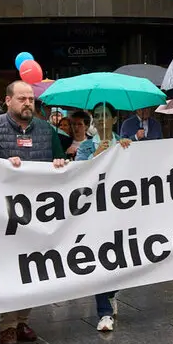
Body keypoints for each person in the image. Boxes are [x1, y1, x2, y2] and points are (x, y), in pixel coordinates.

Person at [0, 80, 67, 344]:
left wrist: (59, 163)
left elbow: (59, 163)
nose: (28, 103)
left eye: (31, 100)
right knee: (11, 269)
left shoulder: (47, 130)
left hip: (38, 212)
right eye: (22, 99)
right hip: (5, 214)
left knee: (33, 268)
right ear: (8, 100)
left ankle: (23, 319)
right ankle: (8, 326)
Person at [71, 107, 132, 332]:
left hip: (120, 210)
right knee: (101, 258)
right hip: (95, 210)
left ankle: (111, 292)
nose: (101, 119)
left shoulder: (124, 143)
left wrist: (125, 150)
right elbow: (78, 174)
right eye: (97, 115)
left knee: (120, 258)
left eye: (105, 115)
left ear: (115, 119)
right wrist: (95, 156)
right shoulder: (86, 146)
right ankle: (104, 312)